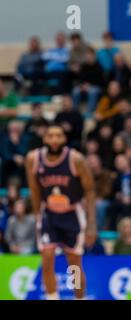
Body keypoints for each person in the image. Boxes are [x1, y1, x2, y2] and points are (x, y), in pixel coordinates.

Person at [25, 124, 97, 300]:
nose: (54, 140)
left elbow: (90, 190)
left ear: (64, 139)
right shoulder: (33, 158)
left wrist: (92, 226)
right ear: (44, 139)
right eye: (50, 136)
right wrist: (37, 216)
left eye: (58, 136)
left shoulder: (76, 159)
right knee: (47, 257)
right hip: (48, 214)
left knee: (74, 265)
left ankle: (80, 298)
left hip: (72, 214)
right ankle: (52, 297)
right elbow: (34, 189)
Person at [72, 46, 104, 115]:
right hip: (84, 86)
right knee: (75, 91)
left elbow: (100, 81)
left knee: (92, 91)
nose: (88, 57)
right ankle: (74, 112)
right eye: (87, 55)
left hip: (96, 87)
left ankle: (89, 112)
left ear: (94, 56)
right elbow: (80, 79)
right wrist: (82, 85)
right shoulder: (84, 66)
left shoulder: (99, 67)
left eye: (90, 55)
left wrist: (89, 85)